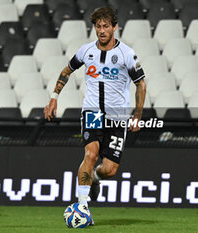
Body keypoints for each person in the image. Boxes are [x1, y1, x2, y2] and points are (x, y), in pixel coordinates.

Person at [44, 6, 146, 223]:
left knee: (110, 169)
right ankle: (82, 207)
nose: (101, 30)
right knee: (90, 155)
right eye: (98, 26)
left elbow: (141, 84)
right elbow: (66, 71)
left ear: (114, 27)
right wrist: (54, 97)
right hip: (92, 112)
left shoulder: (127, 54)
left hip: (117, 117)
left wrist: (138, 114)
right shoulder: (86, 51)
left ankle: (96, 178)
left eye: (106, 26)